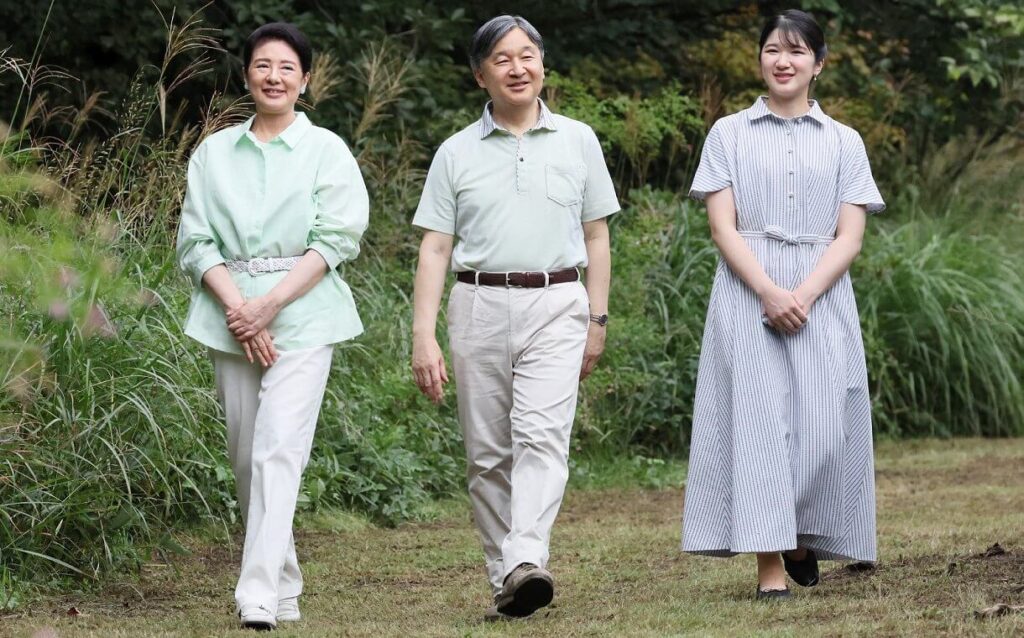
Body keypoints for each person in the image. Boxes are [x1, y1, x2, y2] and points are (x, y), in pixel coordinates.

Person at [410, 14, 619, 620]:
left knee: (541, 436)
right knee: (486, 455)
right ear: (481, 76)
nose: (517, 67)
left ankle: (526, 557)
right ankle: (509, 577)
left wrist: (597, 321)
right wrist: (424, 335)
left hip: (558, 302)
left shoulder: (579, 139)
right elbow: (435, 247)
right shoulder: (455, 152)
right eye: (502, 59)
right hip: (476, 303)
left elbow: (597, 236)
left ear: (544, 65)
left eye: (527, 55)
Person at [680, 9, 884, 600]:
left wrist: (804, 293)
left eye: (797, 52)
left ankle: (799, 531)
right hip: (748, 290)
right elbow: (723, 228)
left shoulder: (845, 141)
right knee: (759, 424)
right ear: (760, 59)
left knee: (824, 423)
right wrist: (769, 291)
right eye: (773, 49)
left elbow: (850, 236)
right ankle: (771, 566)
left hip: (822, 289)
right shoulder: (728, 133)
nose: (783, 61)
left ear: (818, 64)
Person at [176, 22, 369, 630]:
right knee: (244, 456)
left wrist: (271, 306)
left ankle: (254, 591)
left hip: (304, 315)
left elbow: (337, 236)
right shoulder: (213, 153)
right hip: (229, 313)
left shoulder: (327, 150)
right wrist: (241, 308)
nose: (274, 77)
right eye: (263, 65)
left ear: (304, 80)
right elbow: (195, 239)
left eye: (287, 68)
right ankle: (283, 582)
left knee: (278, 449)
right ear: (247, 76)